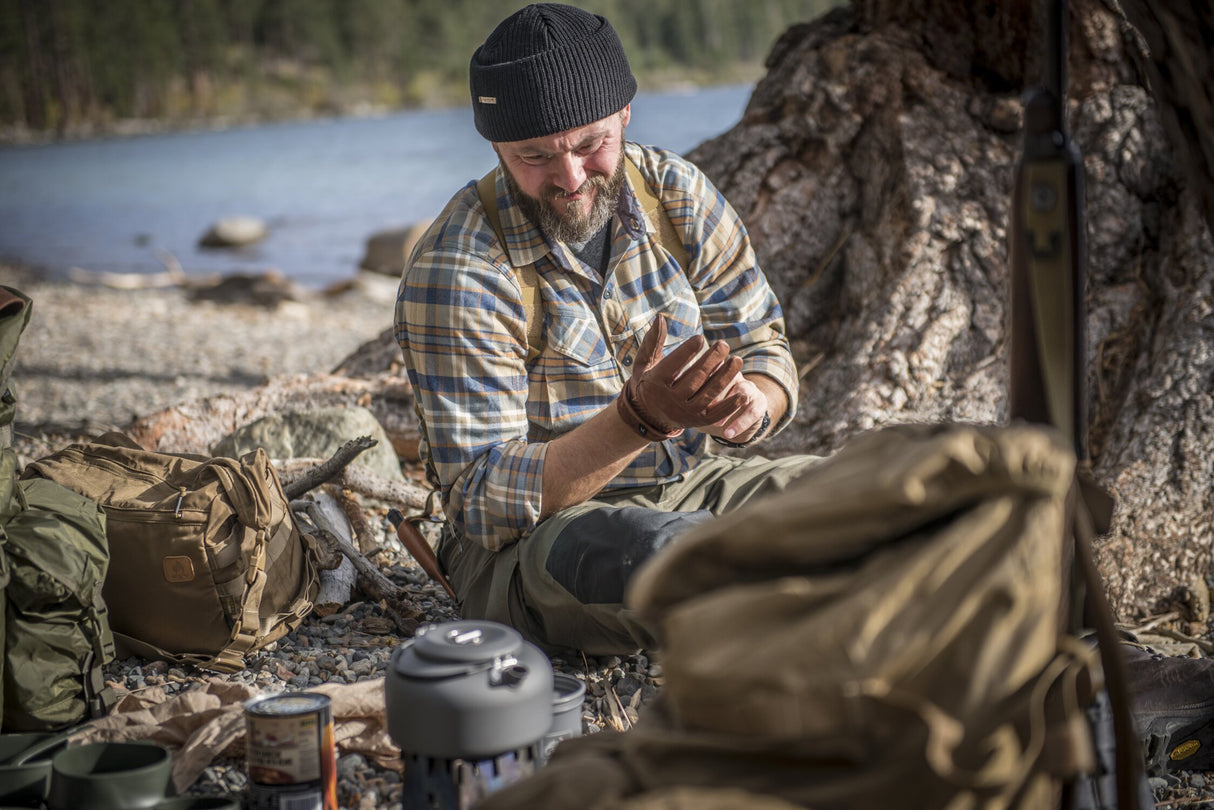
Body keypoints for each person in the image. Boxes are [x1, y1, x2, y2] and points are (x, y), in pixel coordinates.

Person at [395, 2, 819, 656]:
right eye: (534, 155)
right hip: (533, 546)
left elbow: (764, 343)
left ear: (625, 114)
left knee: (864, 494)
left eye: (591, 144)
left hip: (684, 488)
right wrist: (638, 420)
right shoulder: (460, 269)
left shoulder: (676, 194)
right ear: (495, 146)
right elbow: (483, 504)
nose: (568, 178)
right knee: (664, 554)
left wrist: (747, 406)